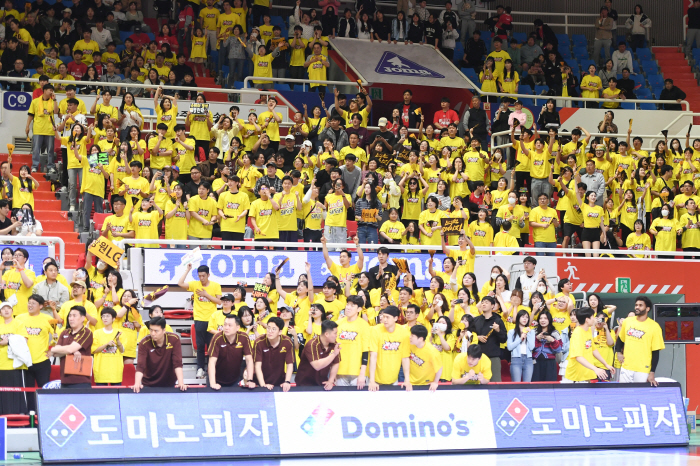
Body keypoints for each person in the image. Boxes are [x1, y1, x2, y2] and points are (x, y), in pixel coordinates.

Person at [178, 264, 222, 379]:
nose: (201, 278)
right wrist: (187, 270)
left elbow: (219, 302)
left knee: (212, 347)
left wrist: (206, 294)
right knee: (201, 346)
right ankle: (200, 369)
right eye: (199, 276)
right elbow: (180, 283)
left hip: (212, 320)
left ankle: (212, 370)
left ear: (208, 275)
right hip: (199, 319)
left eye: (203, 276)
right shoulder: (195, 284)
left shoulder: (216, 285)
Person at [615, 296, 664, 385]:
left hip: (643, 369)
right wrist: (618, 352)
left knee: (639, 393)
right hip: (626, 366)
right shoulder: (627, 321)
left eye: (640, 305)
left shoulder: (655, 327)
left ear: (647, 308)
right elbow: (620, 338)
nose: (637, 307)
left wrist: (652, 372)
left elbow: (655, 351)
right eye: (636, 305)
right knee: (624, 392)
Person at [132, 317, 186, 392]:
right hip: (148, 384)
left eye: (156, 331)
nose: (153, 333)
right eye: (151, 330)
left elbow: (177, 363)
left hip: (169, 384)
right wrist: (137, 383)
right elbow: (140, 366)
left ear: (164, 330)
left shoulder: (174, 339)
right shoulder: (144, 343)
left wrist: (181, 383)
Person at [563, 307, 615, 383]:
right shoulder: (577, 333)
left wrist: (606, 364)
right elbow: (578, 357)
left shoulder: (588, 330)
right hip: (576, 376)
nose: (595, 319)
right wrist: (595, 369)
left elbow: (593, 350)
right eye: (593, 316)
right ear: (587, 320)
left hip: (586, 374)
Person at [368, 306, 411, 391]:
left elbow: (405, 358)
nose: (384, 320)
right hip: (375, 379)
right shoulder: (375, 330)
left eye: (387, 317)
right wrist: (372, 381)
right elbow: (373, 356)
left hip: (393, 378)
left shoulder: (404, 333)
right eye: (383, 316)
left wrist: (407, 380)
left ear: (395, 318)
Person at [49, 305, 94, 388]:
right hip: (64, 380)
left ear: (83, 318)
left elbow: (69, 349)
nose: (71, 318)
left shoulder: (86, 332)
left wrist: (68, 350)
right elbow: (54, 353)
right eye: (69, 316)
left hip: (81, 381)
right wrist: (73, 351)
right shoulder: (64, 332)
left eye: (74, 316)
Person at [208, 314, 255, 389]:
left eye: (230, 325)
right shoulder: (217, 338)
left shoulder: (244, 337)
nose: (226, 328)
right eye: (225, 325)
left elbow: (249, 360)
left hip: (235, 380)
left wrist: (249, 380)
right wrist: (213, 383)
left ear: (237, 327)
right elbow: (212, 362)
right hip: (216, 379)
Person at [295, 320, 340, 388]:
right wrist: (334, 354)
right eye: (335, 333)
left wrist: (330, 381)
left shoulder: (334, 344)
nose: (337, 335)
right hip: (305, 384)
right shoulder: (312, 344)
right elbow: (317, 366)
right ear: (326, 334)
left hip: (322, 383)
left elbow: (336, 363)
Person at [253, 317, 294, 391]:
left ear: (280, 332)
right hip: (260, 382)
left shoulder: (287, 341)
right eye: (268, 328)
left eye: (273, 329)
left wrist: (287, 381)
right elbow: (257, 366)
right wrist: (263, 385)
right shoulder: (259, 342)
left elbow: (289, 364)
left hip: (280, 382)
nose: (270, 331)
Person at [472, 296, 506, 381]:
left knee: (495, 383)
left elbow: (504, 339)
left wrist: (498, 330)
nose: (483, 304)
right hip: (477, 357)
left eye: (486, 302)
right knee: (476, 383)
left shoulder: (498, 320)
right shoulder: (475, 320)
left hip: (493, 357)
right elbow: (469, 335)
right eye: (482, 302)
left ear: (492, 306)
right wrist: (477, 337)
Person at [27, 83, 58, 173]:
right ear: (44, 90)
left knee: (50, 150)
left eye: (52, 91)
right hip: (38, 129)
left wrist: (55, 100)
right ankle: (35, 166)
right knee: (36, 149)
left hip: (50, 129)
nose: (51, 92)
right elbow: (30, 115)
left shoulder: (53, 102)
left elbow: (56, 111)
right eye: (50, 90)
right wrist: (27, 126)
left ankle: (50, 166)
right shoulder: (35, 101)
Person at [91, 307, 125, 386]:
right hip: (101, 370)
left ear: (113, 319)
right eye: (103, 316)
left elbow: (122, 350)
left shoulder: (119, 332)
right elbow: (94, 350)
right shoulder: (96, 333)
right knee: (101, 393)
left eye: (107, 316)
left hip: (115, 371)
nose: (105, 318)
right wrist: (106, 344)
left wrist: (118, 341)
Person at [408, 324, 442, 390]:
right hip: (411, 383)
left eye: (412, 336)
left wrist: (435, 382)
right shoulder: (410, 344)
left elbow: (439, 367)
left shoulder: (432, 351)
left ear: (420, 339)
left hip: (426, 384)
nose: (410, 337)